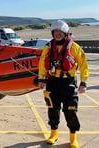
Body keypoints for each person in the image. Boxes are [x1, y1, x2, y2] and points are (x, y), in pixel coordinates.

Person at [38, 20, 89, 148]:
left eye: (60, 31)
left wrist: (83, 82)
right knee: (52, 108)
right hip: (52, 82)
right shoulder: (48, 47)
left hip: (68, 83)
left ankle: (73, 137)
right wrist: (41, 79)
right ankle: (53, 134)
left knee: (70, 109)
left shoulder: (74, 47)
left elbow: (83, 65)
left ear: (65, 32)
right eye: (55, 31)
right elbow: (42, 63)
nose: (57, 33)